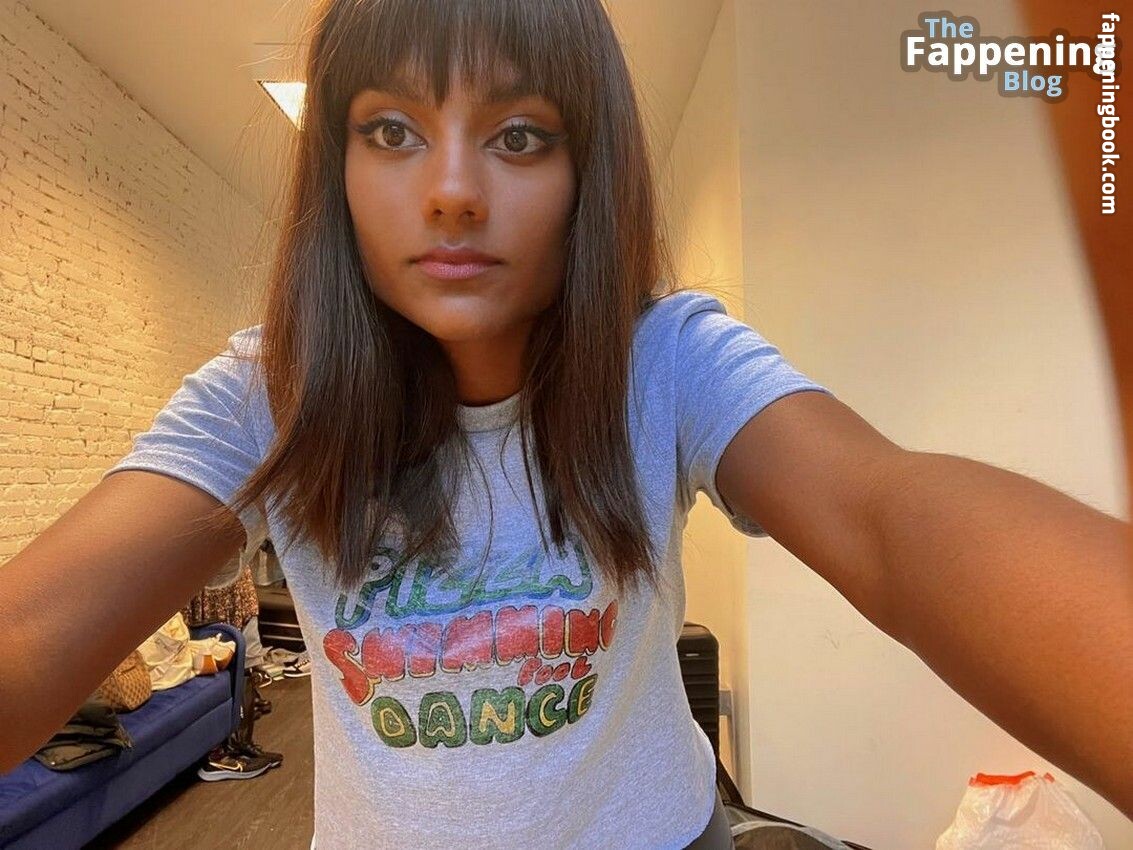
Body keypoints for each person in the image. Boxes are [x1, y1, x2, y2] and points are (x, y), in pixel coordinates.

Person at [0, 0, 1130, 847]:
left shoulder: (666, 359)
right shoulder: (264, 394)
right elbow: (32, 630)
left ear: (588, 168)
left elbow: (886, 517)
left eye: (519, 135)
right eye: (390, 129)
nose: (451, 189)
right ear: (334, 169)